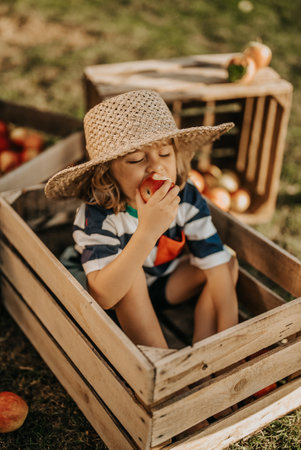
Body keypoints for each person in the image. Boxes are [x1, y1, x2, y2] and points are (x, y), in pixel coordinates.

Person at [45, 89, 238, 349]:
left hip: (160, 285)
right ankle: (164, 363)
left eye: (165, 154)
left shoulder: (186, 195)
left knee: (226, 262)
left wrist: (233, 338)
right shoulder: (98, 215)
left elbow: (214, 265)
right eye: (136, 158)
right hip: (111, 299)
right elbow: (104, 296)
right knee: (130, 273)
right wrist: (148, 230)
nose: (156, 167)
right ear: (107, 173)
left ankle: (206, 346)